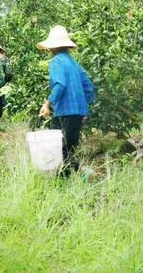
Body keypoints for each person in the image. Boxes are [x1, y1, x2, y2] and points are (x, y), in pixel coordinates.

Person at [37, 25, 94, 175]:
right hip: (77, 114)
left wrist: (47, 103)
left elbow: (60, 84)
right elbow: (89, 86)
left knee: (59, 150)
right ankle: (83, 175)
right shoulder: (73, 62)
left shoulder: (56, 61)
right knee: (70, 149)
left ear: (52, 46)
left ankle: (62, 184)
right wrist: (83, 109)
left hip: (64, 113)